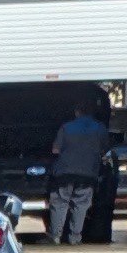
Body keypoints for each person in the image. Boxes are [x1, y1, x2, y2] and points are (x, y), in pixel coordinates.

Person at [44, 100, 115, 245]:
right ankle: (75, 238)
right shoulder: (100, 128)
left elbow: (55, 150)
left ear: (77, 112)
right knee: (81, 205)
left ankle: (55, 236)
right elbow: (106, 149)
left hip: (64, 172)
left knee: (60, 203)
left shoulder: (66, 127)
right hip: (88, 173)